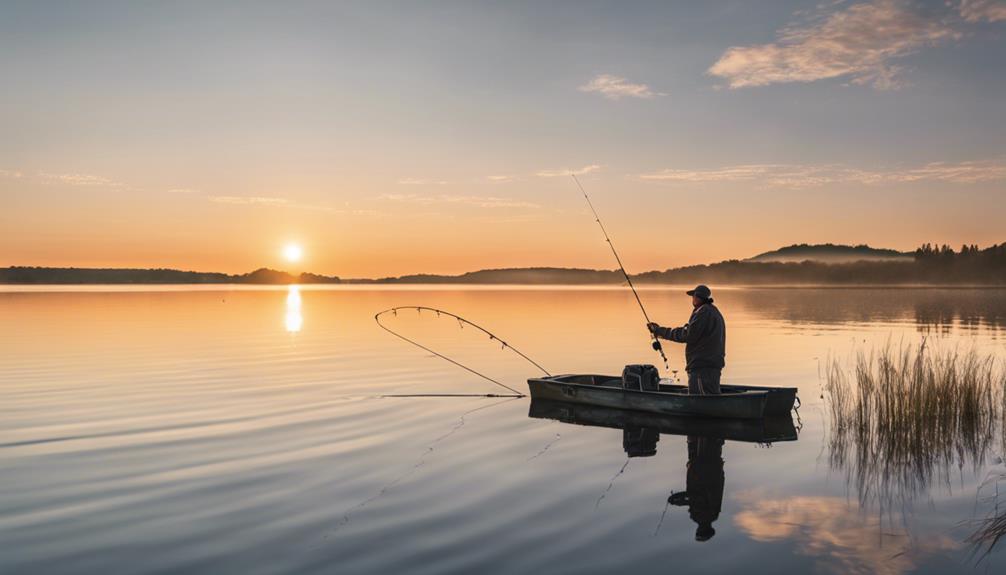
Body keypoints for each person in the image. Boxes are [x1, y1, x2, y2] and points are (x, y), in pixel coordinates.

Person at [646, 284, 725, 395]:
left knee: (701, 400)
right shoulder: (712, 311)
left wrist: (659, 331)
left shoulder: (703, 312)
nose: (692, 299)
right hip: (709, 365)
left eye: (693, 296)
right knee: (709, 396)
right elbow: (690, 332)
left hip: (702, 367)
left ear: (697, 297)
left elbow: (687, 335)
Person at [668, 435, 725, 542]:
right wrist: (679, 498)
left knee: (701, 440)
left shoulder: (707, 515)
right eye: (700, 531)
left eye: (698, 531)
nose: (698, 529)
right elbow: (698, 497)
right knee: (701, 440)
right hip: (704, 469)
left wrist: (680, 499)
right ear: (706, 529)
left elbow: (694, 498)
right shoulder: (705, 515)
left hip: (704, 467)